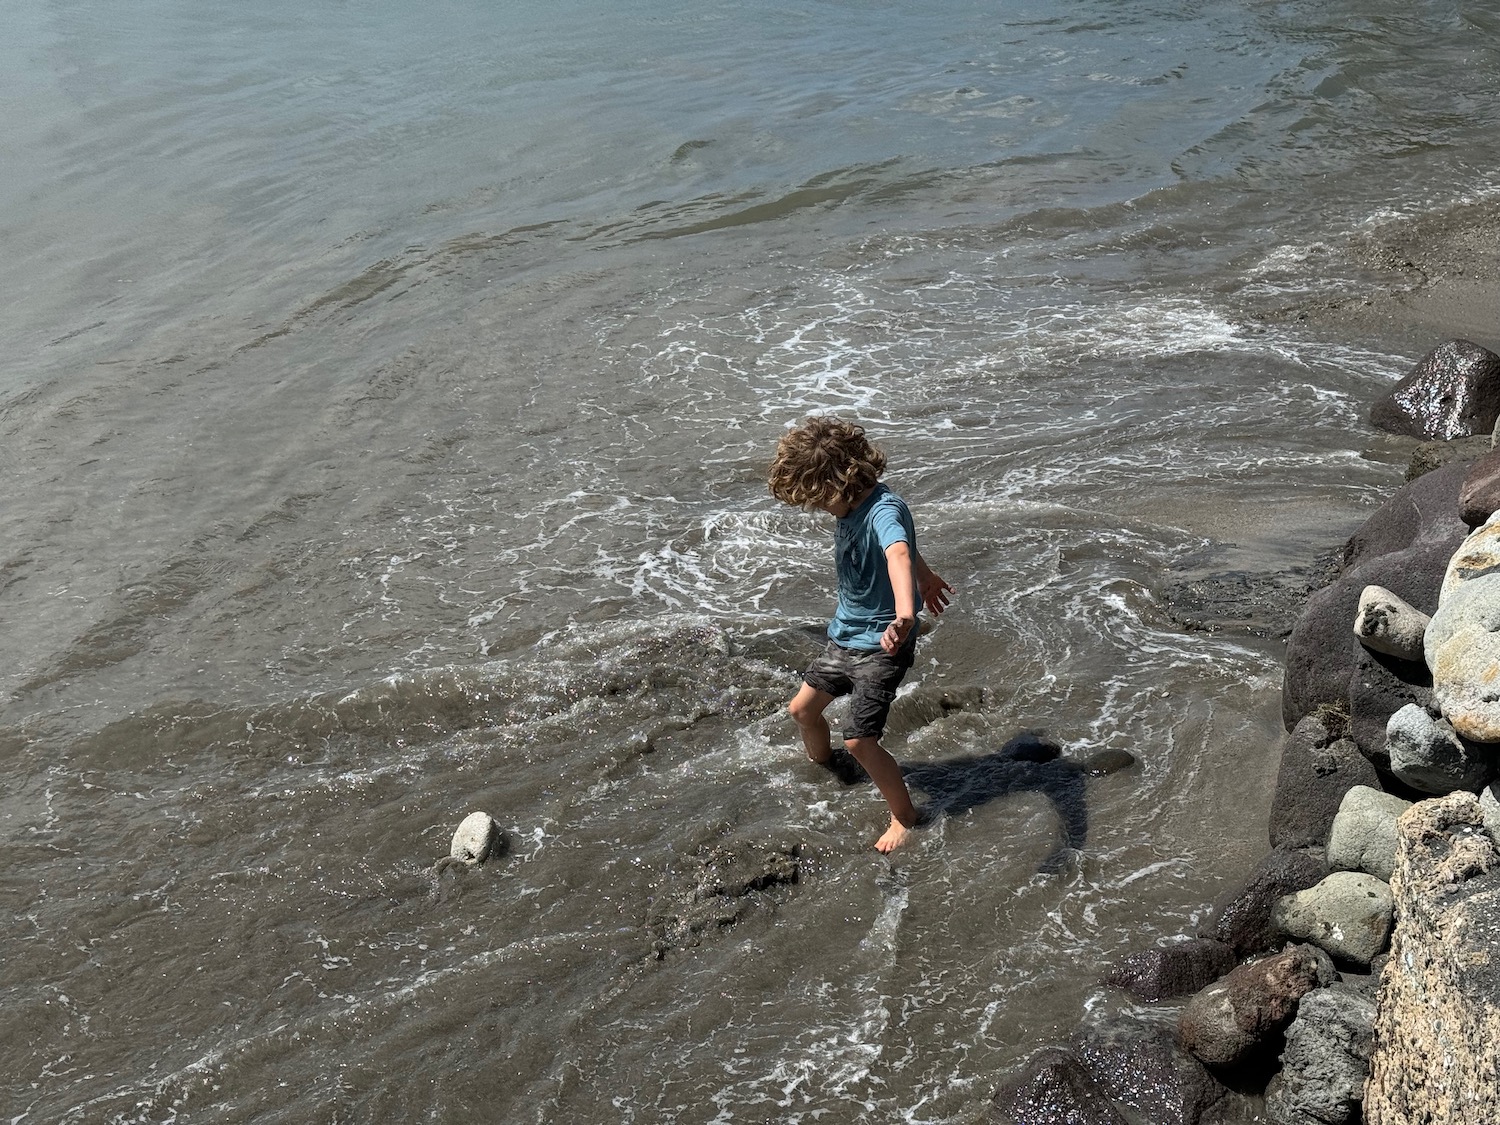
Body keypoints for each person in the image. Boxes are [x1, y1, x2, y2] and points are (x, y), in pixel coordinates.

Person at [768, 416, 954, 852]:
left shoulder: (884, 510)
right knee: (802, 710)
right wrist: (927, 579)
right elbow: (909, 552)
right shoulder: (853, 506)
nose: (817, 509)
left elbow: (898, 552)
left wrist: (905, 615)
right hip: (845, 635)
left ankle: (905, 817)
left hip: (884, 644)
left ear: (838, 482)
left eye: (817, 500)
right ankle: (824, 766)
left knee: (859, 739)